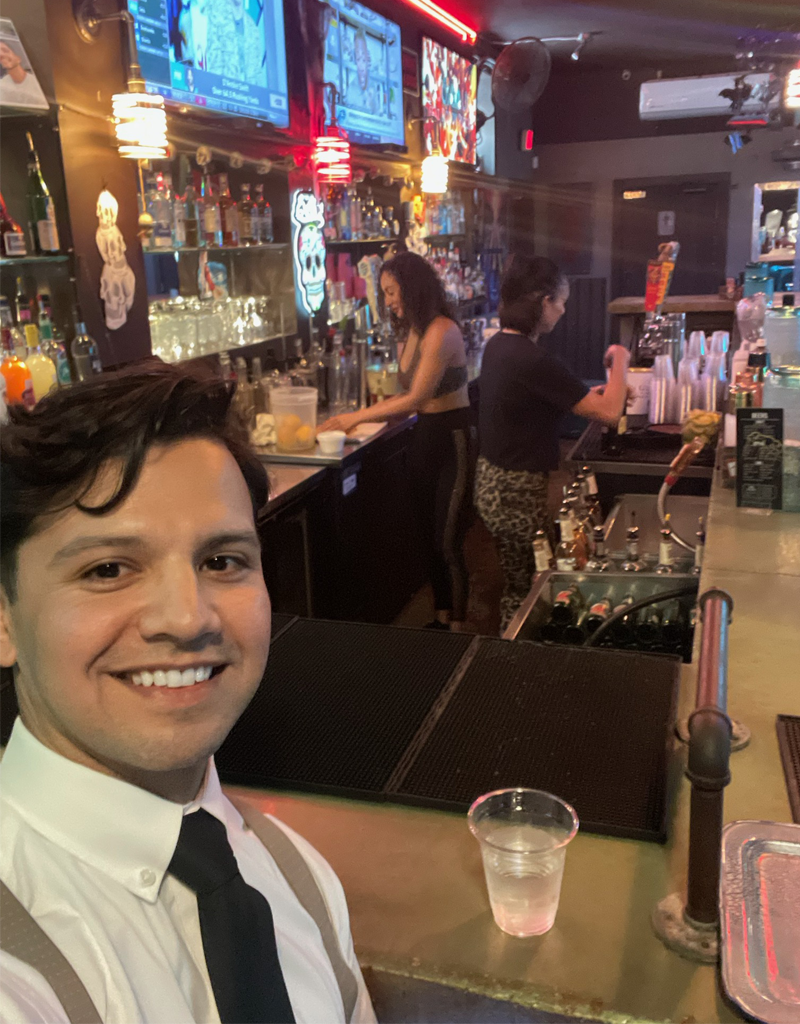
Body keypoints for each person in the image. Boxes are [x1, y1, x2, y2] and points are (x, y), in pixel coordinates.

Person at [0, 363, 376, 1023]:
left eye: (221, 561)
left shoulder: (301, 878)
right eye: (108, 569)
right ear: (5, 620)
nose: (187, 617)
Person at [320, 251, 474, 631]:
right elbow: (408, 397)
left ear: (412, 287)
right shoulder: (413, 331)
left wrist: (354, 417)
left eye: (391, 292)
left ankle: (458, 631)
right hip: (424, 436)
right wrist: (374, 413)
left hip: (453, 438)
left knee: (447, 540)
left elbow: (417, 397)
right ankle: (441, 618)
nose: (387, 301)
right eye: (385, 292)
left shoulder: (442, 330)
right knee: (425, 536)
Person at [475, 255, 629, 631]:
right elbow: (610, 413)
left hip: (492, 481)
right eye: (561, 302)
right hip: (514, 490)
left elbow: (533, 400)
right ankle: (513, 653)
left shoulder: (499, 346)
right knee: (529, 586)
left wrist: (591, 395)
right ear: (544, 302)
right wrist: (621, 357)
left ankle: (513, 644)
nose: (562, 311)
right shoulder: (532, 359)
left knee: (519, 578)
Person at [0, 39, 48, 110]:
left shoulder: (38, 82)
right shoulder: (2, 86)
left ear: (18, 57)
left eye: (5, 51)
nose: (1, 55)